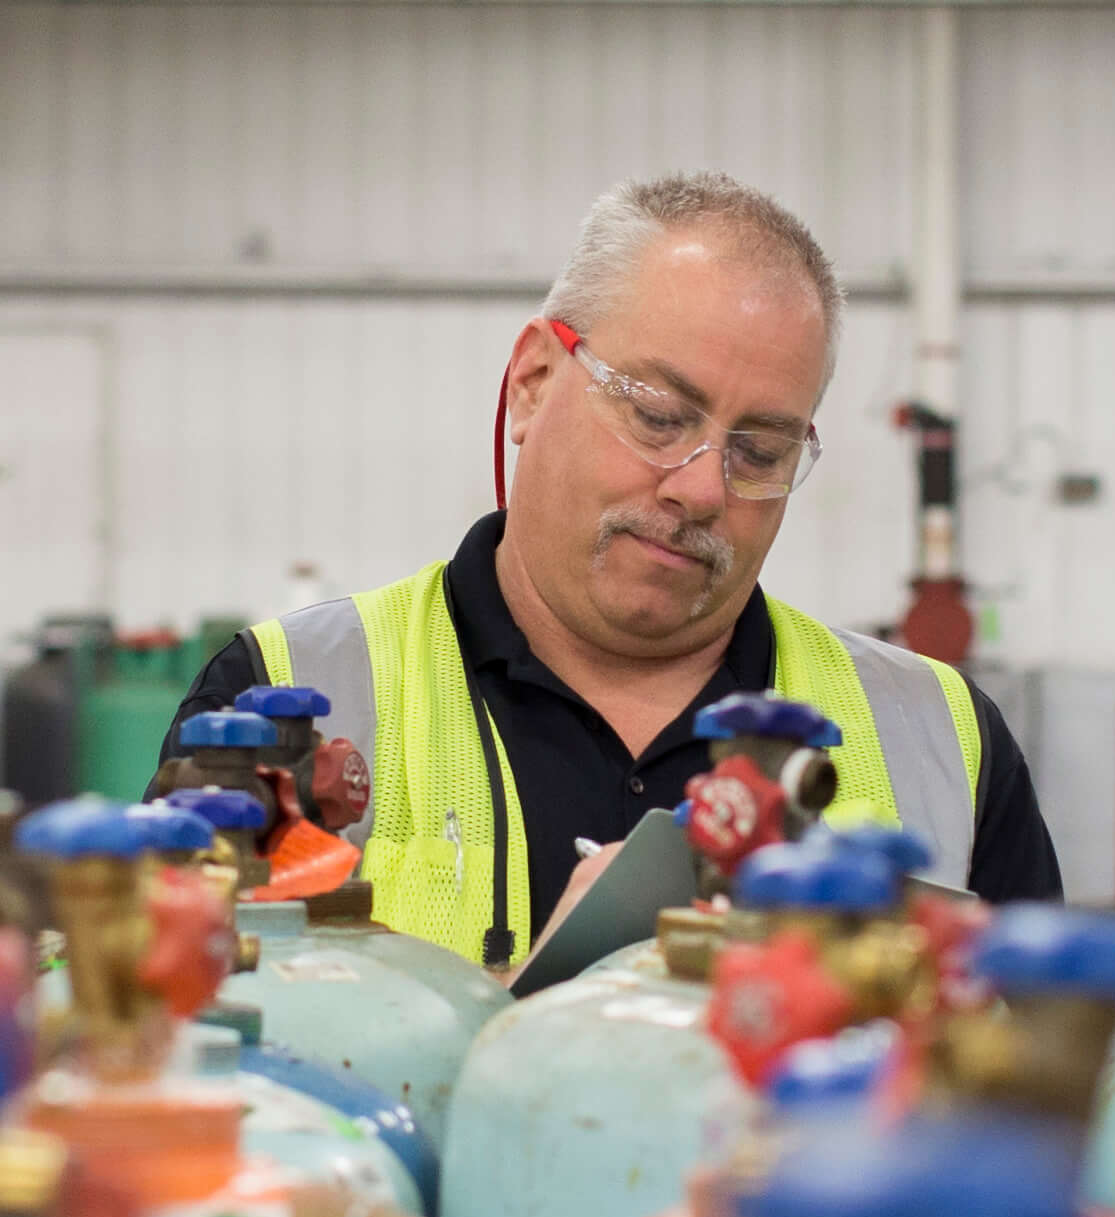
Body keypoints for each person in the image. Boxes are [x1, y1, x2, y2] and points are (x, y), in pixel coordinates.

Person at [174, 170, 1061, 969]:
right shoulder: (281, 701)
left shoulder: (943, 738)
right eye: (660, 416)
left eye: (759, 451)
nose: (705, 489)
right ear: (531, 382)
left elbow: (1037, 1105)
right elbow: (153, 1060)